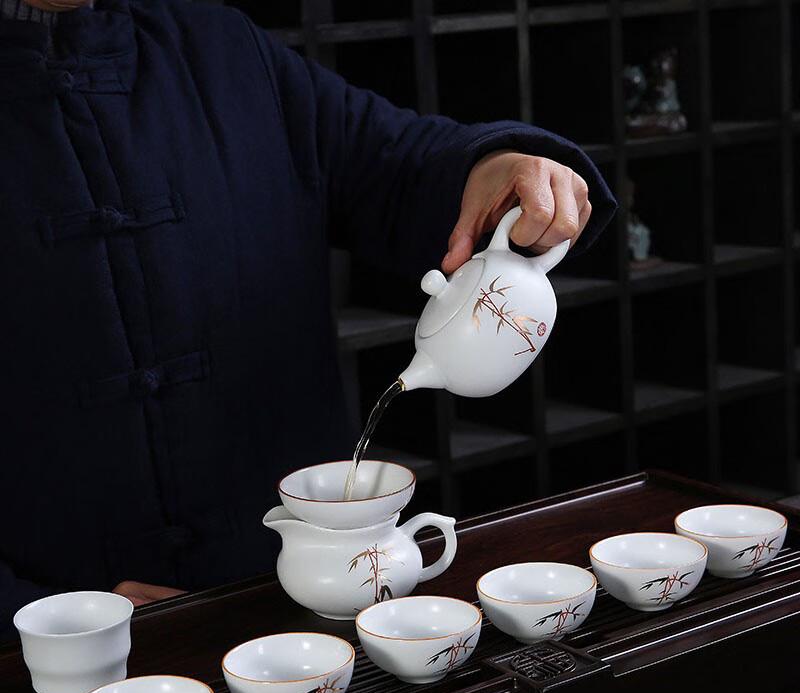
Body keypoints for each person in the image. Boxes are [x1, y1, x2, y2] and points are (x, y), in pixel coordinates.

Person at [0, 0, 616, 638]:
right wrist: (39, 614)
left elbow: (393, 161)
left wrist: (497, 171)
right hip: (50, 650)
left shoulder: (221, 48)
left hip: (301, 605)